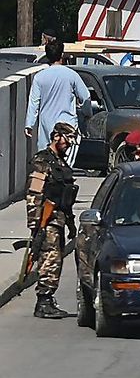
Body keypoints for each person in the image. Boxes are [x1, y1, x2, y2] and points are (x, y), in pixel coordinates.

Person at [25, 122, 79, 319]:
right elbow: (34, 193)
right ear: (56, 136)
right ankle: (44, 301)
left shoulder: (61, 164)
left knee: (56, 260)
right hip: (47, 221)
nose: (69, 144)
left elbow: (67, 198)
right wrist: (35, 225)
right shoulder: (43, 161)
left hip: (60, 219)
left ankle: (47, 299)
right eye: (67, 140)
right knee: (50, 260)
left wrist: (71, 224)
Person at [25, 41, 91, 165]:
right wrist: (87, 114)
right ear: (62, 55)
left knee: (46, 161)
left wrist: (29, 124)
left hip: (47, 126)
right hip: (68, 126)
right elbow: (86, 97)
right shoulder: (71, 75)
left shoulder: (40, 77)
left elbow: (34, 102)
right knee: (66, 163)